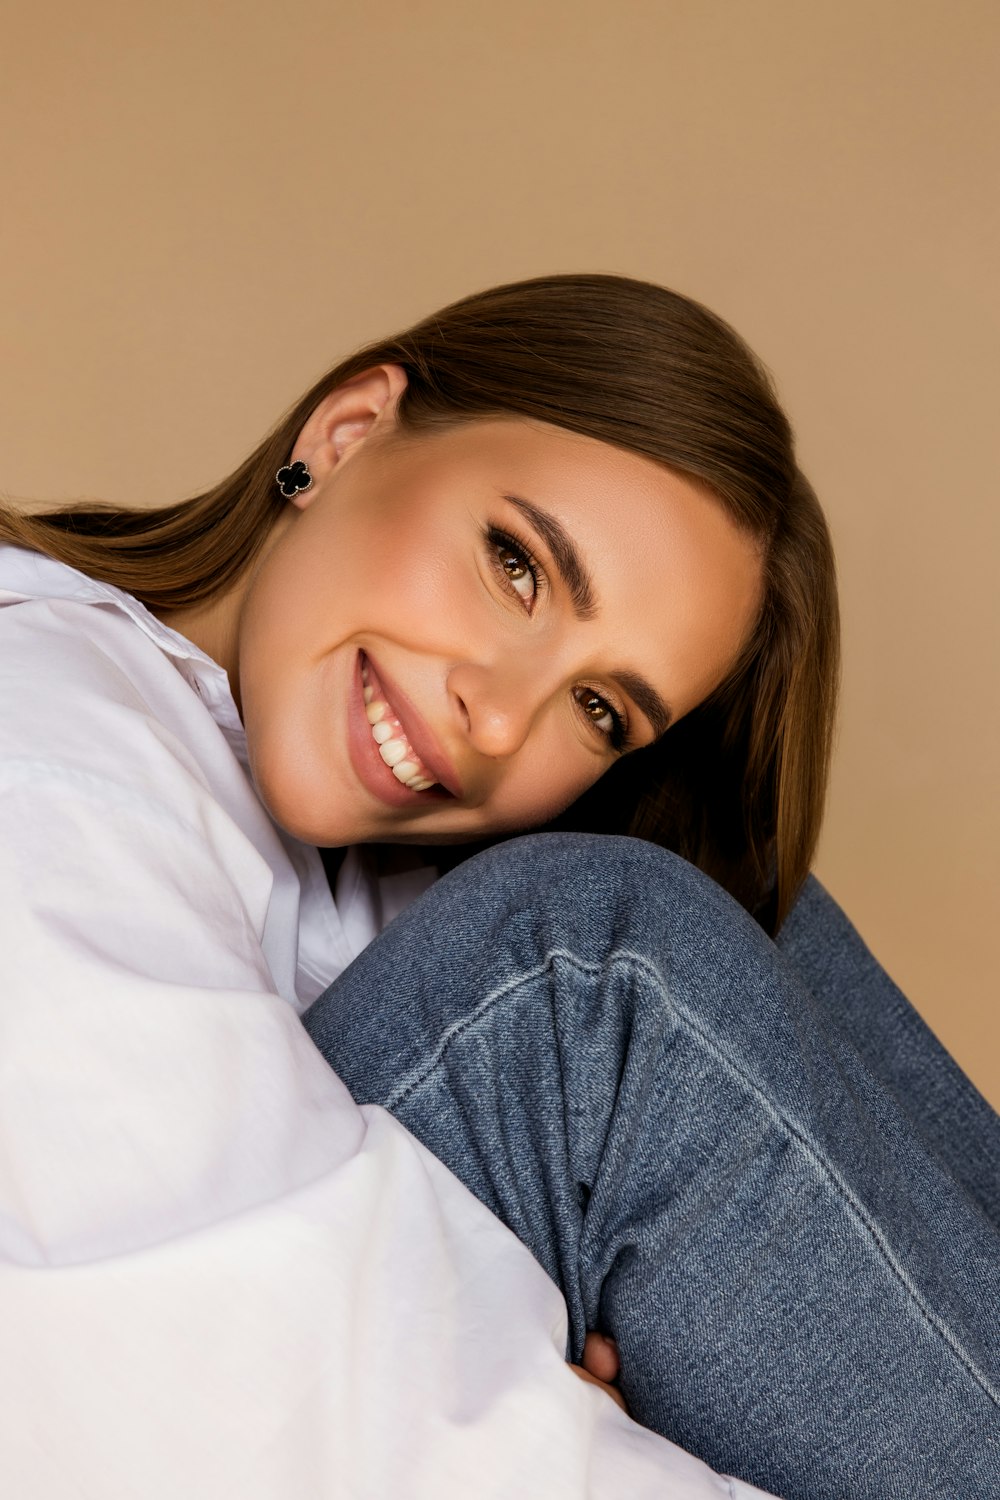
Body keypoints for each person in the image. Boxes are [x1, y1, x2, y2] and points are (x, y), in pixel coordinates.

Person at [0, 274, 995, 1500]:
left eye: (596, 708)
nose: (497, 717)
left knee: (753, 909)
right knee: (597, 956)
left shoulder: (357, 858)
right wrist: (547, 1391)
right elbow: (214, 1386)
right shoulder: (44, 744)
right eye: (517, 567)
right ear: (346, 432)